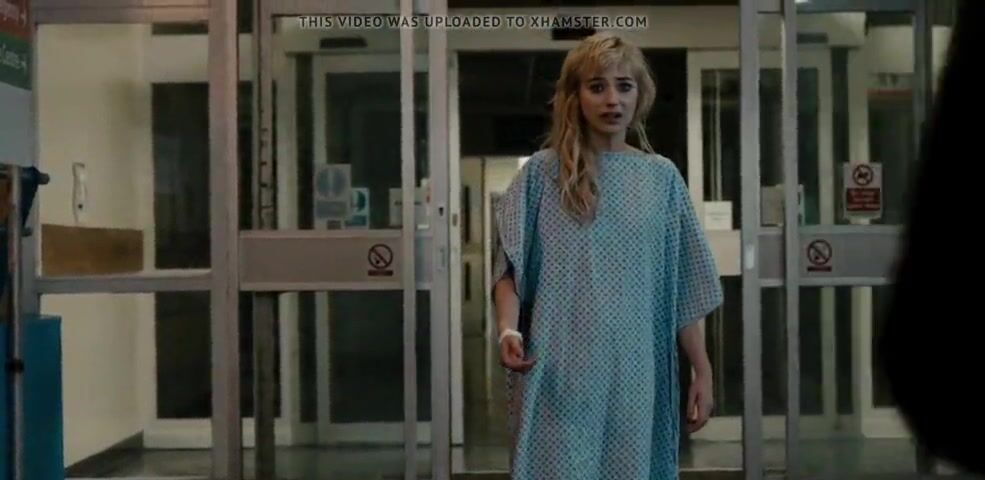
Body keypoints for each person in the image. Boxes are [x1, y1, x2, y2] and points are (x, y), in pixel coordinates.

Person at [491, 32, 723, 479]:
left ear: (640, 94)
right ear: (575, 96)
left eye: (624, 86)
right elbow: (509, 269)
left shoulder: (661, 179)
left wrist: (702, 370)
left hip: (634, 371)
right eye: (597, 87)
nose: (612, 99)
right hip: (559, 368)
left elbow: (682, 286)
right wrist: (507, 330)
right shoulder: (541, 174)